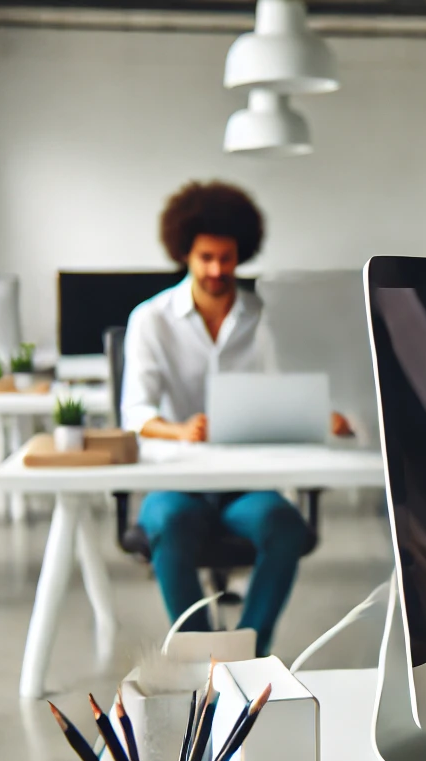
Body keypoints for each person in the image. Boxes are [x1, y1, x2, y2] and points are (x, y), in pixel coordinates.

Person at [119, 180, 348, 655]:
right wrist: (180, 429)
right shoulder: (152, 319)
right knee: (168, 525)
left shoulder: (267, 318)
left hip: (248, 482)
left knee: (284, 526)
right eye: (206, 257)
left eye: (227, 257)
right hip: (179, 479)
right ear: (185, 253)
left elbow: (288, 391)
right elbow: (136, 412)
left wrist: (321, 417)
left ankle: (249, 653)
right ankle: (205, 656)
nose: (218, 269)